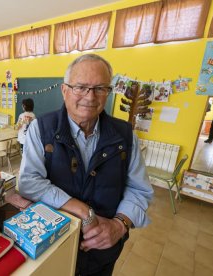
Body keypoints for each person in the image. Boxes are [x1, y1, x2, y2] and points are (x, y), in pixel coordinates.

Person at [18, 54, 154, 276]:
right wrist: (84, 211)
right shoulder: (41, 129)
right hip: (53, 246)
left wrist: (119, 225)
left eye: (100, 88)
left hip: (104, 252)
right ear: (64, 90)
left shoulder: (125, 136)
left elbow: (140, 189)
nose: (90, 97)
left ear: (108, 92)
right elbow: (29, 183)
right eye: (80, 87)